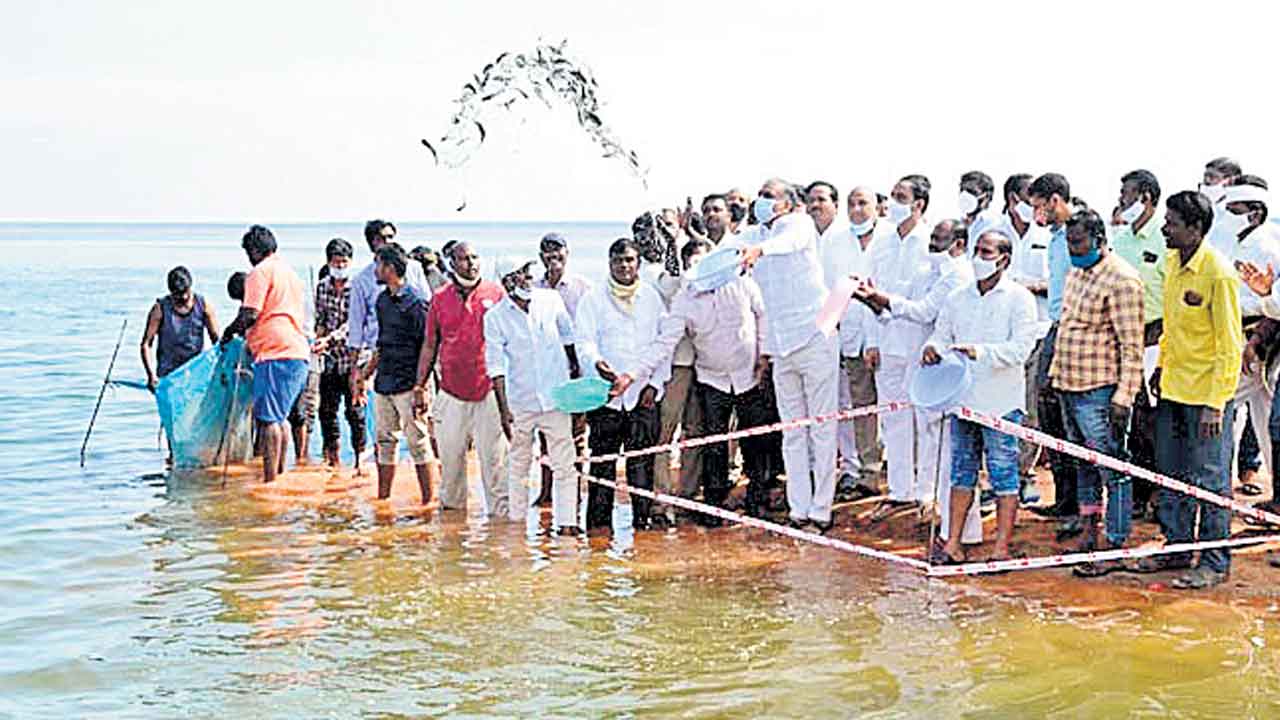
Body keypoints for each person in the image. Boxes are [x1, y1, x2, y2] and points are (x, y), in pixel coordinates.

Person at [1135, 191, 1243, 588]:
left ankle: (1215, 561)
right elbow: (1172, 326)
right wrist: (1161, 367)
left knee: (1210, 477)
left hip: (1207, 398)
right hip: (1174, 389)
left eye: (1172, 222)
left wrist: (1217, 404)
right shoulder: (1170, 262)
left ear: (1195, 229)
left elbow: (1230, 345)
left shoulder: (1219, 273)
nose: (1164, 228)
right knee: (1172, 472)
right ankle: (1176, 548)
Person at [855, 176, 971, 520]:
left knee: (928, 422)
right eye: (891, 195)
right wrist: (872, 337)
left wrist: (882, 301)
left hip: (924, 348)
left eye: (900, 197)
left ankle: (927, 494)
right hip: (888, 340)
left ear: (919, 204)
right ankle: (900, 491)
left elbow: (926, 308)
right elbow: (872, 290)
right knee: (893, 420)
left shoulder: (934, 246)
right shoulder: (881, 242)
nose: (891, 202)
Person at [927, 230, 1038, 562]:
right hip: (962, 401)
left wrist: (980, 352)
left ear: (1004, 259)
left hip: (1000, 403)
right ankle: (953, 545)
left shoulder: (1019, 298)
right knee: (961, 471)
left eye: (986, 252)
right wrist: (932, 349)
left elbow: (1021, 349)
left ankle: (1001, 548)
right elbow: (940, 334)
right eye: (976, 250)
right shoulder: (959, 297)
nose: (978, 258)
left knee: (1004, 473)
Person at [734, 179, 839, 531]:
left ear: (790, 203)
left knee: (822, 428)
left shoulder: (800, 225)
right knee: (793, 432)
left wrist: (759, 251)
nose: (761, 201)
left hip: (814, 338)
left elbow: (787, 243)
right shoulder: (756, 235)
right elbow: (727, 255)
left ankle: (822, 510)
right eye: (759, 195)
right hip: (781, 347)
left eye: (769, 196)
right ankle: (799, 509)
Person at [1048, 209, 1144, 577]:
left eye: (1079, 242)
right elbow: (1068, 326)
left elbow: (1132, 346)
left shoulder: (1122, 280)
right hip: (1069, 384)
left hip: (1100, 391)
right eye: (1070, 243)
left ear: (1100, 240)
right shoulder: (1076, 271)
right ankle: (1090, 530)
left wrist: (1124, 397)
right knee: (1082, 463)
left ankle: (1115, 543)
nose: (1073, 250)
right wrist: (1053, 376)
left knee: (1112, 467)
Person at [576, 238, 670, 530]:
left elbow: (663, 342)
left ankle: (641, 523)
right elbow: (584, 341)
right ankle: (599, 530)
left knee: (641, 465)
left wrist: (654, 385)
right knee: (602, 465)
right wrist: (596, 364)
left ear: (638, 263)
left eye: (629, 260)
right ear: (609, 263)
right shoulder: (593, 298)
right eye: (618, 260)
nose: (624, 266)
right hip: (607, 397)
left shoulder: (652, 297)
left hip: (642, 396)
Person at [486, 257, 582, 532]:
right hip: (521, 402)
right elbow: (495, 366)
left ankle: (567, 524)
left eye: (529, 274)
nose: (527, 280)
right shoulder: (494, 318)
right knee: (519, 465)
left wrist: (576, 391)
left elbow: (568, 340)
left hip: (556, 399)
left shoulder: (550, 300)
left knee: (564, 464)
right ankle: (517, 526)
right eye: (520, 276)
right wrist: (504, 410)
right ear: (506, 283)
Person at [415, 241, 509, 516]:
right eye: (464, 259)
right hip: (452, 393)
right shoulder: (440, 297)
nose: (471, 263)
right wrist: (420, 386)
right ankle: (452, 545)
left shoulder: (496, 293)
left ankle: (502, 543)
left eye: (475, 257)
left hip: (489, 393)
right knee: (452, 471)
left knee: (496, 469)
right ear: (452, 263)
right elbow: (430, 344)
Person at [220, 225, 310, 484]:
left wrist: (229, 332)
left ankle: (270, 480)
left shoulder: (259, 273)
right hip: (296, 351)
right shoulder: (290, 273)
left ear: (256, 250)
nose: (248, 257)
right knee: (279, 418)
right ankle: (277, 475)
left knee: (269, 420)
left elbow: (251, 314)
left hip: (275, 352)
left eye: (249, 251)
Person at [819, 185, 885, 500]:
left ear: (877, 206)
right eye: (852, 204)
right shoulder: (834, 242)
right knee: (860, 408)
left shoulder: (889, 239)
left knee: (899, 410)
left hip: (887, 336)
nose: (857, 209)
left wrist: (875, 340)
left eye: (863, 203)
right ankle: (865, 473)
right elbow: (827, 290)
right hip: (849, 337)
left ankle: (908, 479)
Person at [357, 244, 435, 503]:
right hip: (384, 382)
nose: (375, 270)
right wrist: (365, 374)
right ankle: (383, 498)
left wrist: (421, 388)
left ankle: (428, 500)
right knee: (385, 441)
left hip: (409, 384)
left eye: (379, 265)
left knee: (418, 442)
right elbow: (383, 342)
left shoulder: (416, 305)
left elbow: (428, 347)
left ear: (390, 268)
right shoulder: (382, 301)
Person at [1108, 170, 1165, 520]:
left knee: (1152, 422)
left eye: (1126, 193)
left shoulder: (1165, 237)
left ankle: (1159, 494)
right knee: (1127, 421)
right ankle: (1139, 494)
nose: (1120, 200)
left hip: (1155, 340)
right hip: (1122, 340)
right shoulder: (1122, 240)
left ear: (1145, 196)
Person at [1215, 179, 1280, 489]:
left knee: (1220, 406)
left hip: (1255, 340)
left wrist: (1256, 341)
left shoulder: (1266, 246)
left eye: (1233, 210)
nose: (1227, 216)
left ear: (1254, 213)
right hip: (1244, 338)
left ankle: (1217, 490)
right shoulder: (1238, 244)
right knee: (1267, 423)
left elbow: (1271, 304)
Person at [1028, 173, 1082, 537]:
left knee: (1073, 418)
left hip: (1077, 330)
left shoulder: (1081, 232)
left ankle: (1081, 505)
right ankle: (1064, 499)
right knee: (1048, 412)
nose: (1035, 213)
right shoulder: (1054, 239)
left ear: (1055, 200)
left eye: (1037, 205)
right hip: (1055, 327)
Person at [534, 231, 595, 502]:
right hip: (545, 372)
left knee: (576, 436)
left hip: (577, 372)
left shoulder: (583, 287)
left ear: (567, 254)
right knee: (546, 433)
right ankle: (546, 493)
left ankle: (575, 494)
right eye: (548, 252)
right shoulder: (534, 288)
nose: (553, 257)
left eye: (558, 251)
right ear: (540, 257)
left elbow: (592, 331)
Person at [346, 219, 432, 400]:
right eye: (382, 238)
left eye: (391, 237)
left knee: (416, 420)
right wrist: (356, 369)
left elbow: (428, 312)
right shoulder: (363, 281)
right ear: (372, 243)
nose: (388, 242)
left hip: (412, 357)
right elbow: (356, 326)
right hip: (379, 357)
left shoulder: (413, 269)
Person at [312, 238, 366, 469]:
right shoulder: (322, 286)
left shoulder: (358, 287)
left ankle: (359, 460)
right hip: (330, 360)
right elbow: (321, 319)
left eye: (344, 262)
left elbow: (355, 323)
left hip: (353, 359)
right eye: (336, 262)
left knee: (355, 411)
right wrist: (319, 339)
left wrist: (330, 338)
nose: (340, 266)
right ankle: (333, 458)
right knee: (327, 411)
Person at [141, 266, 220, 391]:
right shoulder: (160, 309)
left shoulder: (203, 305)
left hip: (195, 373)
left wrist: (220, 369)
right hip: (168, 375)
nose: (183, 298)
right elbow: (146, 344)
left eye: (186, 294)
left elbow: (217, 341)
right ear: (171, 292)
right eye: (178, 296)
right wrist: (151, 376)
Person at [957, 170, 999, 254]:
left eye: (972, 192)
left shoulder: (995, 225)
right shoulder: (957, 224)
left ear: (986, 197)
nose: (965, 196)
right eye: (962, 190)